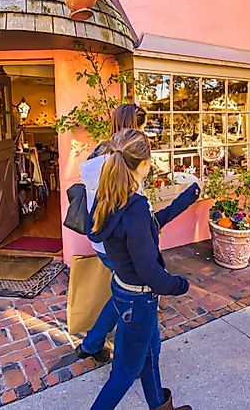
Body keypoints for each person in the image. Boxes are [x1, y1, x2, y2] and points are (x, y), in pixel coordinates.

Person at [87, 129, 198, 410]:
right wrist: (179, 284)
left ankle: (160, 405)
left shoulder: (110, 197)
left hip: (124, 290)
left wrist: (185, 200)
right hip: (139, 298)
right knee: (125, 371)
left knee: (148, 355)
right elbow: (150, 271)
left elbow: (149, 226)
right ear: (145, 164)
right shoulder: (133, 206)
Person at [76, 103, 148, 363]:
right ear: (134, 125)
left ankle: (92, 343)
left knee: (122, 289)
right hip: (120, 239)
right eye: (141, 125)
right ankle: (96, 343)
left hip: (101, 234)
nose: (144, 131)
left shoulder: (98, 152)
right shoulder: (126, 156)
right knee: (129, 292)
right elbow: (130, 201)